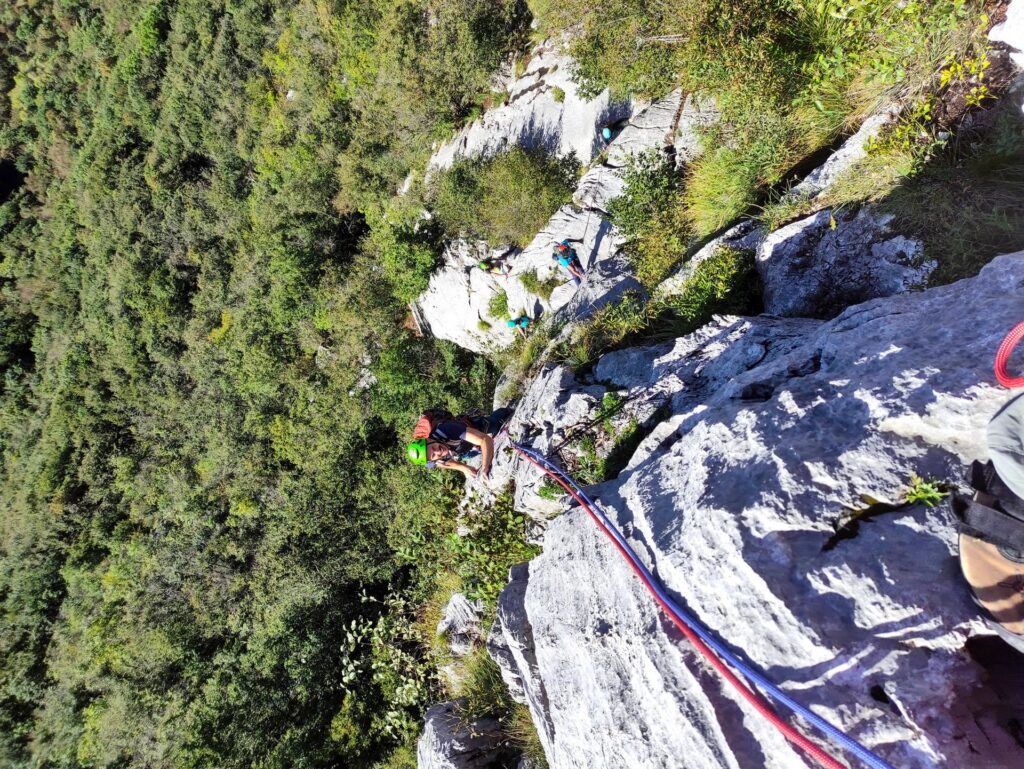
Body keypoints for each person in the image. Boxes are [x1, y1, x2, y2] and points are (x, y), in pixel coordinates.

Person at [406, 408, 512, 481]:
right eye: (433, 455)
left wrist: (485, 468)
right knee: (469, 453)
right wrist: (463, 468)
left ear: (429, 440)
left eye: (434, 447)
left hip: (471, 429)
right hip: (463, 449)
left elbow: (485, 439)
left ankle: (507, 410)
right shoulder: (428, 460)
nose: (438, 451)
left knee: (494, 423)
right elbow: (442, 463)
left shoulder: (445, 429)